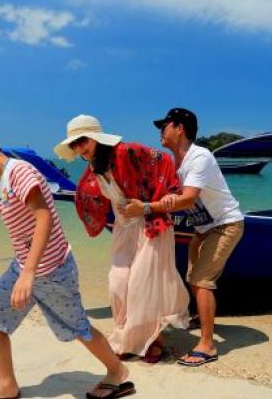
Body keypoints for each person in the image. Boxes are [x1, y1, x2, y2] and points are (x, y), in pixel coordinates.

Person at [0, 120, 135, 399]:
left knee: (78, 328)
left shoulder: (19, 171)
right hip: (24, 267)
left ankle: (117, 372)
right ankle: (7, 386)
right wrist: (24, 270)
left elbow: (43, 217)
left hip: (52, 271)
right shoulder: (2, 183)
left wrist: (28, 272)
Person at [54, 114, 189, 364]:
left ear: (96, 137)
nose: (80, 148)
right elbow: (94, 194)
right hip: (123, 229)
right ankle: (131, 338)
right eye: (74, 145)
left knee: (143, 284)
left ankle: (153, 341)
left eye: (82, 140)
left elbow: (164, 161)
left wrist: (149, 205)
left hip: (151, 224)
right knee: (118, 283)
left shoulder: (127, 151)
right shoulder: (95, 166)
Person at [123, 107, 244, 367]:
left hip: (225, 224)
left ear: (179, 128)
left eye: (164, 126)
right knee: (192, 277)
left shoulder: (200, 157)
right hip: (202, 230)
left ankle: (208, 346)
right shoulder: (173, 162)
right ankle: (203, 318)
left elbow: (188, 198)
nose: (160, 132)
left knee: (201, 280)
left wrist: (145, 208)